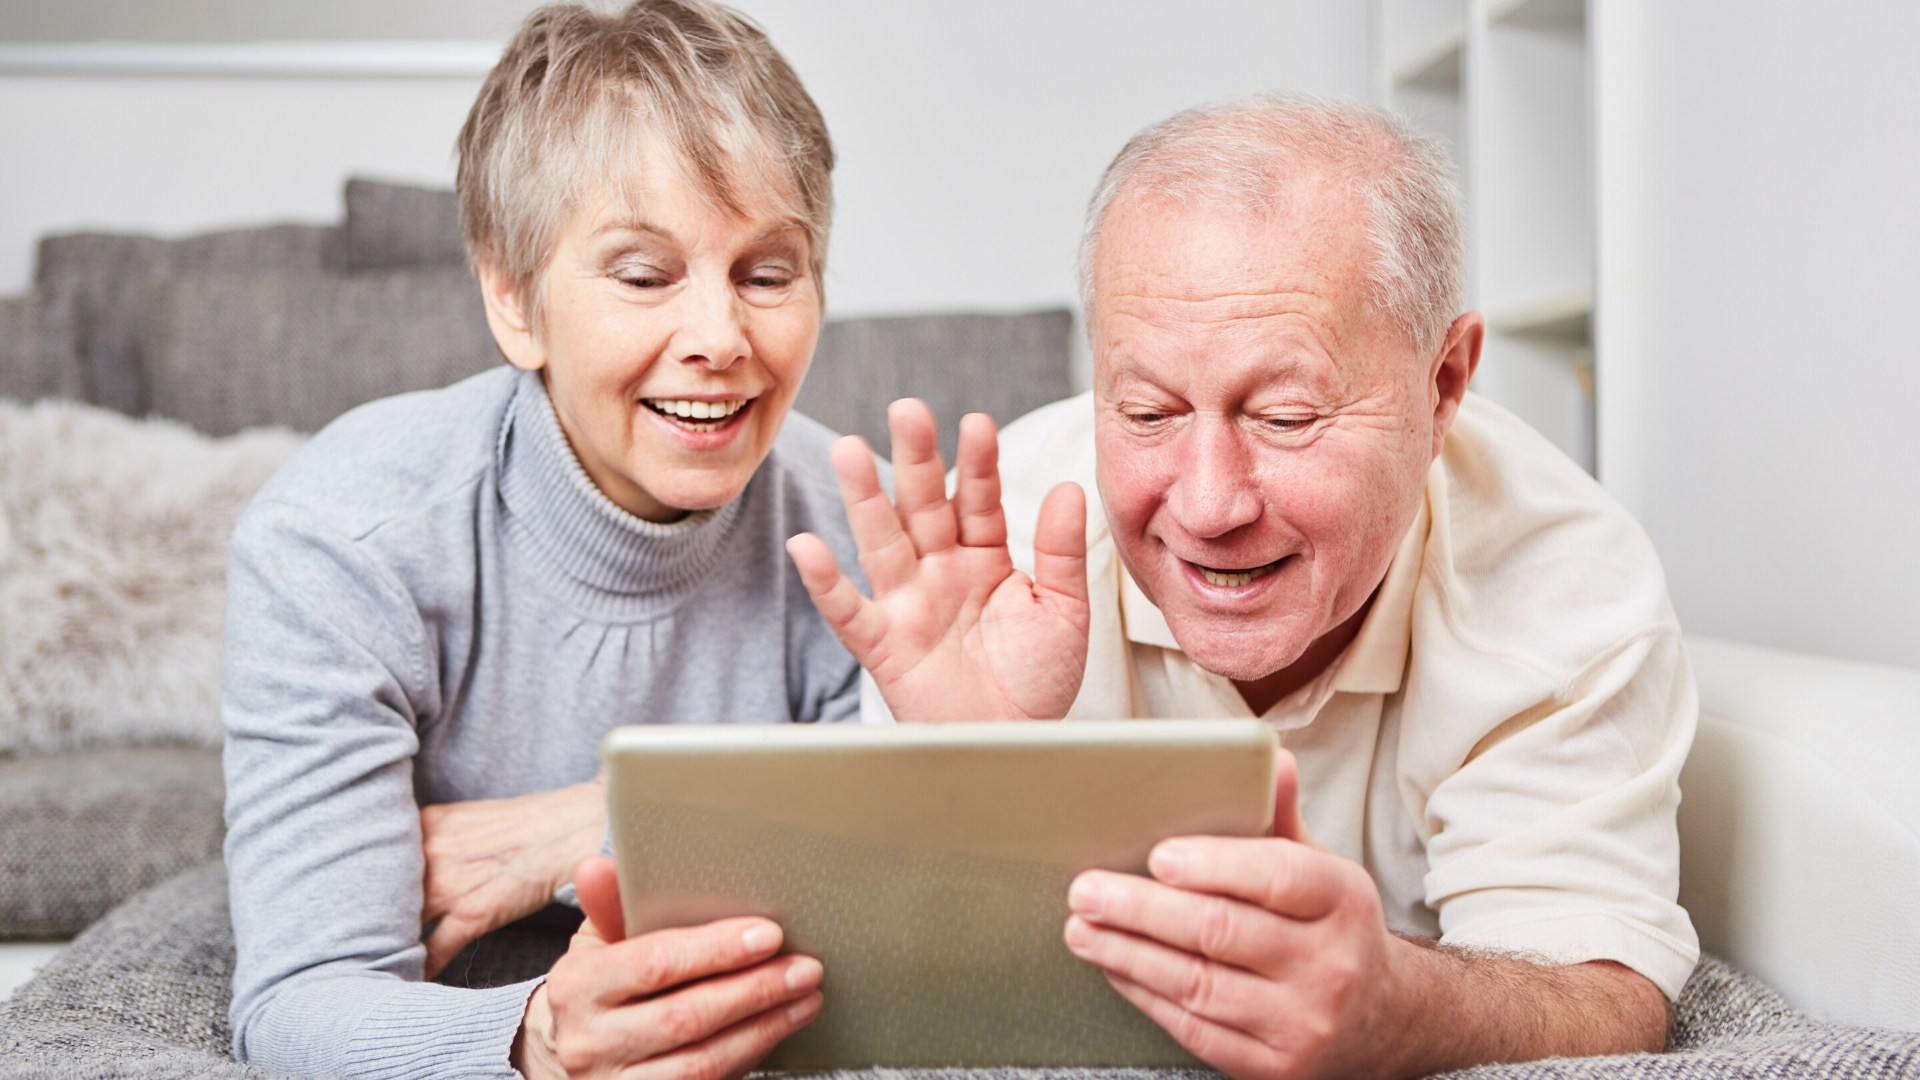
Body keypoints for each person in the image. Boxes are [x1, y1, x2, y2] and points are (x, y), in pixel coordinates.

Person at [784, 94, 1698, 1078]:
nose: (1211, 504)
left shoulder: (1564, 586)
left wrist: (1399, 1005)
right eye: (1146, 411)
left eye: (1287, 416)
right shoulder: (986, 562)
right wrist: (964, 783)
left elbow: (1601, 994)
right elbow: (898, 993)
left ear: (1444, 386)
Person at [220, 3, 867, 1077]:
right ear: (514, 300)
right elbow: (299, 1001)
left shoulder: (855, 515)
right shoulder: (335, 537)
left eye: (767, 272)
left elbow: (896, 886)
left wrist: (584, 826)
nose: (720, 339)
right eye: (644, 274)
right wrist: (536, 1037)